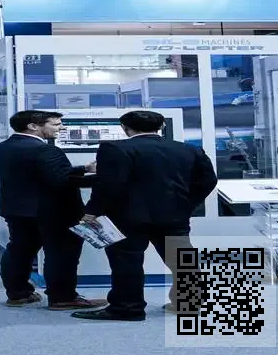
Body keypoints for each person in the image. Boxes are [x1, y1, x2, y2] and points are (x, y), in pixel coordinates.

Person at [72, 110, 217, 321]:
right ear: (161, 127)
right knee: (182, 261)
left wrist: (93, 211)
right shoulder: (188, 149)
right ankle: (188, 304)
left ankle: (127, 308)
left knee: (126, 262)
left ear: (125, 128)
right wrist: (186, 205)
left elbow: (109, 185)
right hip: (174, 216)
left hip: (127, 218)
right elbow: (208, 180)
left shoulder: (114, 149)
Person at [0, 110, 106, 310]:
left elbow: (35, 175)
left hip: (17, 209)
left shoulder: (0, 149)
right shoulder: (47, 150)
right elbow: (61, 181)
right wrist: (106, 178)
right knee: (61, 254)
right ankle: (63, 298)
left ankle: (18, 294)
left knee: (19, 251)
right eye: (56, 124)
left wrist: (84, 169)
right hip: (54, 212)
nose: (61, 128)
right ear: (33, 126)